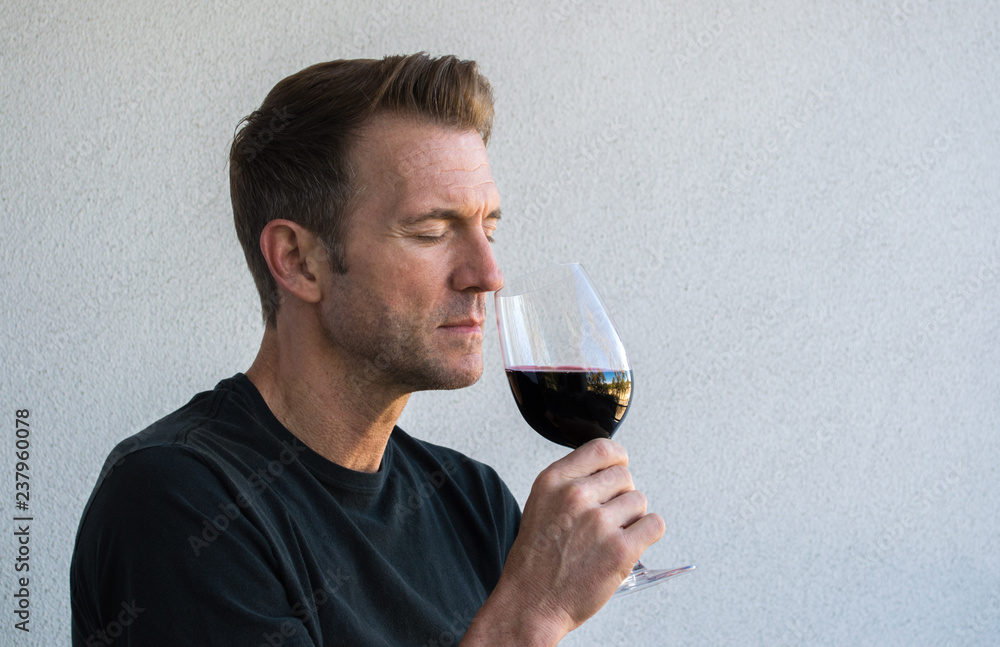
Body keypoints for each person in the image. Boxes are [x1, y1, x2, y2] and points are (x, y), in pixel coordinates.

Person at [70, 53, 665, 646]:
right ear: (298, 261)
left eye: (488, 229)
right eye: (431, 232)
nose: (488, 274)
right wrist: (534, 613)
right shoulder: (178, 502)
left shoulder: (472, 500)